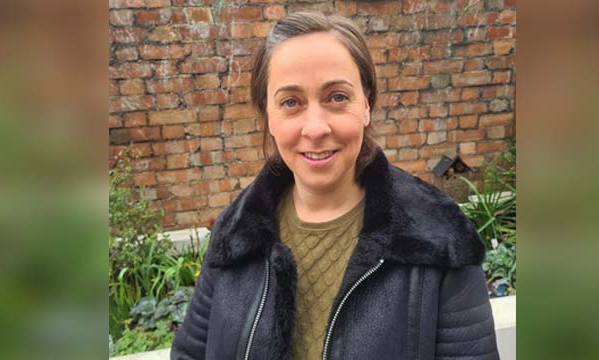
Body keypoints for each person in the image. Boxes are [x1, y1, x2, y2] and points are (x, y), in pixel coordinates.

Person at [171, 12, 499, 360]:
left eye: (337, 97)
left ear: (367, 105)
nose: (315, 128)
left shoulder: (440, 239)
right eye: (291, 102)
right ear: (268, 117)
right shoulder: (234, 235)